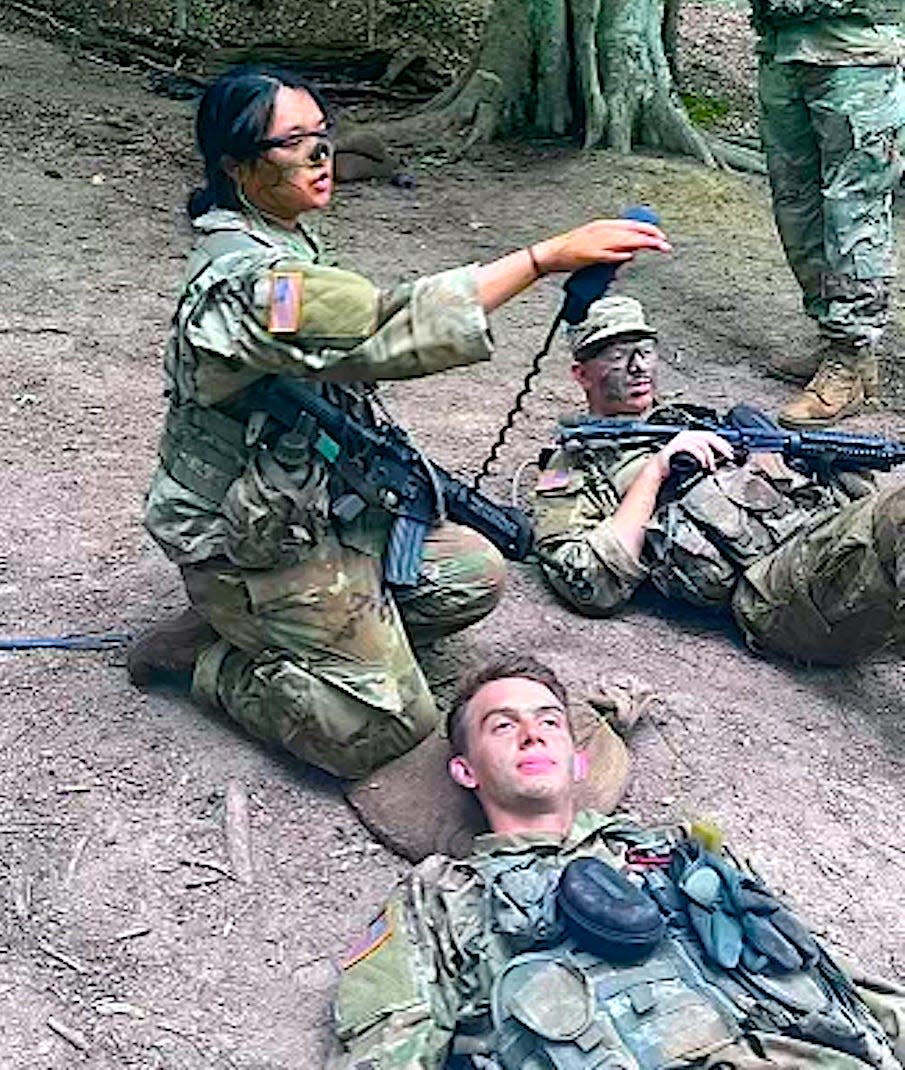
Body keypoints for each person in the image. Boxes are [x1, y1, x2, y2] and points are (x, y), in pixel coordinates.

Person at [126, 66, 671, 781]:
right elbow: (381, 325)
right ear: (237, 164)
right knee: (383, 727)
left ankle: (292, 636)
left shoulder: (282, 239)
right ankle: (211, 658)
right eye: (296, 143)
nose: (321, 157)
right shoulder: (249, 282)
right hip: (246, 540)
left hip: (313, 508)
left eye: (323, 136)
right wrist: (541, 260)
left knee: (472, 573)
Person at [328, 656, 905, 1069]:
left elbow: (833, 978)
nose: (532, 735)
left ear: (578, 764)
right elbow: (388, 1045)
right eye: (502, 725)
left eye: (550, 721)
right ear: (466, 771)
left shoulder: (678, 853)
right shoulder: (442, 896)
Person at [532, 294, 905, 666]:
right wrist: (655, 471)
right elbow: (585, 582)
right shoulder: (579, 466)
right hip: (778, 596)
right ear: (581, 374)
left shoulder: (688, 420)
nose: (639, 366)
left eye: (645, 350)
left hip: (834, 552)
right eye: (616, 356)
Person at [750, 0, 905, 428]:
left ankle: (850, 357)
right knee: (796, 203)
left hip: (857, 54)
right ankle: (833, 335)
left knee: (854, 211)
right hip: (783, 46)